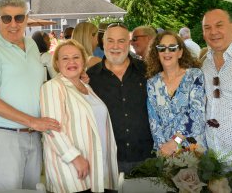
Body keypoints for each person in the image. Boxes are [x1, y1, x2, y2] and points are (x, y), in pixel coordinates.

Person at [0, 0, 60, 192]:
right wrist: (33, 122)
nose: (13, 24)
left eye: (19, 17)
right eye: (6, 18)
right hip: (5, 136)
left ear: (26, 19)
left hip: (34, 135)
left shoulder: (31, 45)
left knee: (33, 189)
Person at [40, 39, 118, 193]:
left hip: (96, 168)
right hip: (72, 171)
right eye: (65, 58)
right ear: (56, 63)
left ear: (83, 60)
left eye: (76, 57)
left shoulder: (86, 87)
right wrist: (74, 158)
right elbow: (51, 129)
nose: (71, 62)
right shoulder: (53, 87)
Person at [87, 22, 154, 174]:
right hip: (108, 161)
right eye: (110, 40)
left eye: (121, 41)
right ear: (103, 43)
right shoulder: (90, 78)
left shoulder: (148, 71)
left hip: (147, 158)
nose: (115, 46)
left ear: (129, 43)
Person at [145, 30, 206, 156]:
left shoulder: (194, 76)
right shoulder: (152, 83)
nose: (167, 52)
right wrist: (164, 149)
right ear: (157, 53)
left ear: (180, 52)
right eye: (162, 48)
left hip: (193, 151)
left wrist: (175, 142)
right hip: (165, 153)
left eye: (172, 48)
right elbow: (154, 122)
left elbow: (196, 115)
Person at [201, 9, 232, 163]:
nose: (213, 32)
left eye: (219, 25)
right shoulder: (204, 64)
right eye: (207, 28)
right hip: (212, 160)